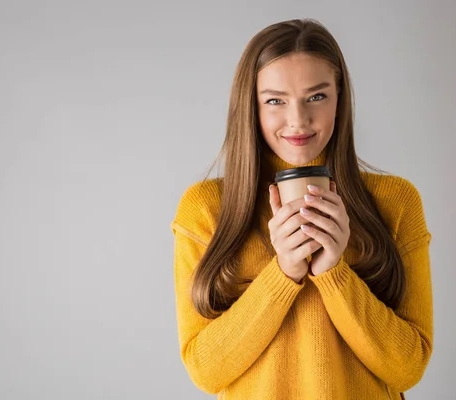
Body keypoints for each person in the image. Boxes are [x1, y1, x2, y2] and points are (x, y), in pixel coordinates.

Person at [170, 18, 433, 400]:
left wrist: (334, 274)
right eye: (275, 100)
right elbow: (205, 372)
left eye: (317, 97)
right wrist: (283, 274)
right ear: (251, 106)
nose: (298, 120)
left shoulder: (396, 202)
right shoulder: (206, 209)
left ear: (340, 99)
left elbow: (409, 368)